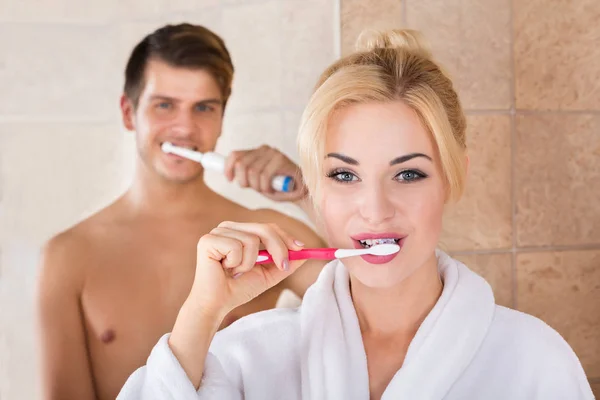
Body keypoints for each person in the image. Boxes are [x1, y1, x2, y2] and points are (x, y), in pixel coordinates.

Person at [117, 29, 594, 400]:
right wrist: (202, 313)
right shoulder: (247, 357)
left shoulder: (534, 361)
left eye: (408, 175)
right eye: (344, 177)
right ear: (314, 189)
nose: (375, 209)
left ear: (452, 177)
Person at [36, 24, 325, 400]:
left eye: (204, 107)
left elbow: (373, 305)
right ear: (129, 113)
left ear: (222, 118)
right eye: (164, 105)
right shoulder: (68, 257)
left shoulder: (268, 233)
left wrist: (305, 193)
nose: (185, 127)